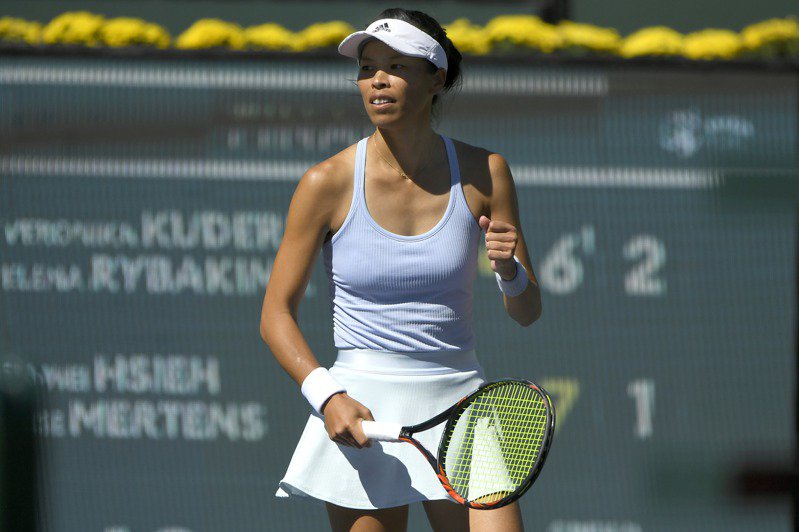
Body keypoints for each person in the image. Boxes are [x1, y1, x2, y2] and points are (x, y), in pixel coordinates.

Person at [260, 8, 542, 532]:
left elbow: (526, 311)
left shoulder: (487, 172)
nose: (377, 81)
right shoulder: (325, 182)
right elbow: (275, 314)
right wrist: (327, 397)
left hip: (462, 405)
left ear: (436, 79)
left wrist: (509, 271)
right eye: (367, 68)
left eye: (396, 67)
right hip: (360, 408)